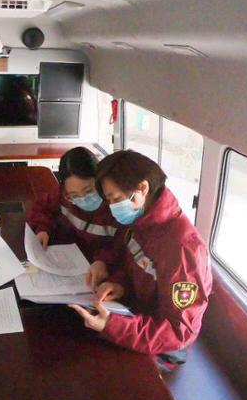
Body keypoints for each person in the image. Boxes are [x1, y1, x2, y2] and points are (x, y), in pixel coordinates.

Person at [69, 150, 212, 370]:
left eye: (116, 199)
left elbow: (178, 331)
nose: (112, 208)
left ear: (142, 188)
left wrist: (112, 326)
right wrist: (120, 285)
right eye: (109, 201)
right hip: (135, 315)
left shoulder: (184, 248)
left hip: (164, 346)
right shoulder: (140, 221)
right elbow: (136, 268)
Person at [26, 147, 121, 289]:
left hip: (99, 273)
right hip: (70, 263)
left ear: (100, 179)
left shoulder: (116, 205)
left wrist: (103, 261)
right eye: (74, 195)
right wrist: (42, 229)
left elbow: (122, 246)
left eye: (89, 191)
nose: (83, 199)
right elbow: (41, 208)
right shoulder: (63, 196)